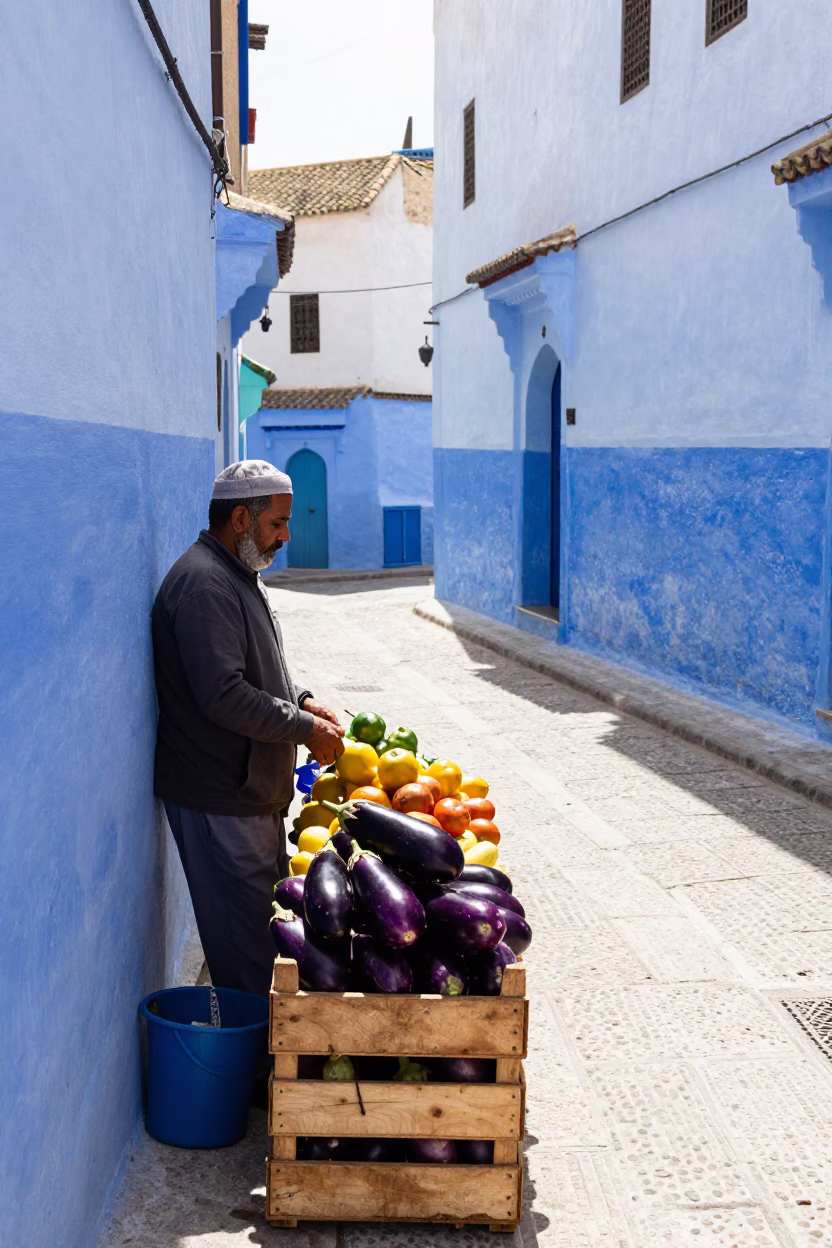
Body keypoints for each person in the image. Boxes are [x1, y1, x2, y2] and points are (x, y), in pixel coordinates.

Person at [151, 460, 344, 997]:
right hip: (221, 799)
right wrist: (303, 728)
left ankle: (268, 1069)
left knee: (267, 942)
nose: (286, 535)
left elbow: (257, 670)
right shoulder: (204, 586)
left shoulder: (235, 574)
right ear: (241, 518)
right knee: (249, 959)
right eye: (277, 524)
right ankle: (255, 1075)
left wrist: (303, 700)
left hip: (247, 795)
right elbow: (224, 695)